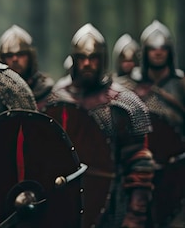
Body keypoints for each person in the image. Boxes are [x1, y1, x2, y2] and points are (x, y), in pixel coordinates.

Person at [44, 23, 154, 228]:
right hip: (63, 205)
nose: (87, 64)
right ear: (74, 61)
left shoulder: (124, 104)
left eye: (93, 58)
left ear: (102, 60)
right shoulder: (57, 100)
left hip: (112, 206)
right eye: (82, 58)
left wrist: (135, 214)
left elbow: (140, 164)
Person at [118, 20, 185, 227]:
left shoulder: (181, 85)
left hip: (176, 173)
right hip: (136, 174)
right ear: (145, 52)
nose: (158, 53)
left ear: (169, 52)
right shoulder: (130, 85)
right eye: (153, 48)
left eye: (163, 48)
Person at [0, 24, 54, 109]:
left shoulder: (46, 92)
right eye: (9, 55)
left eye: (20, 54)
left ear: (30, 57)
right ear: (2, 59)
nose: (15, 59)